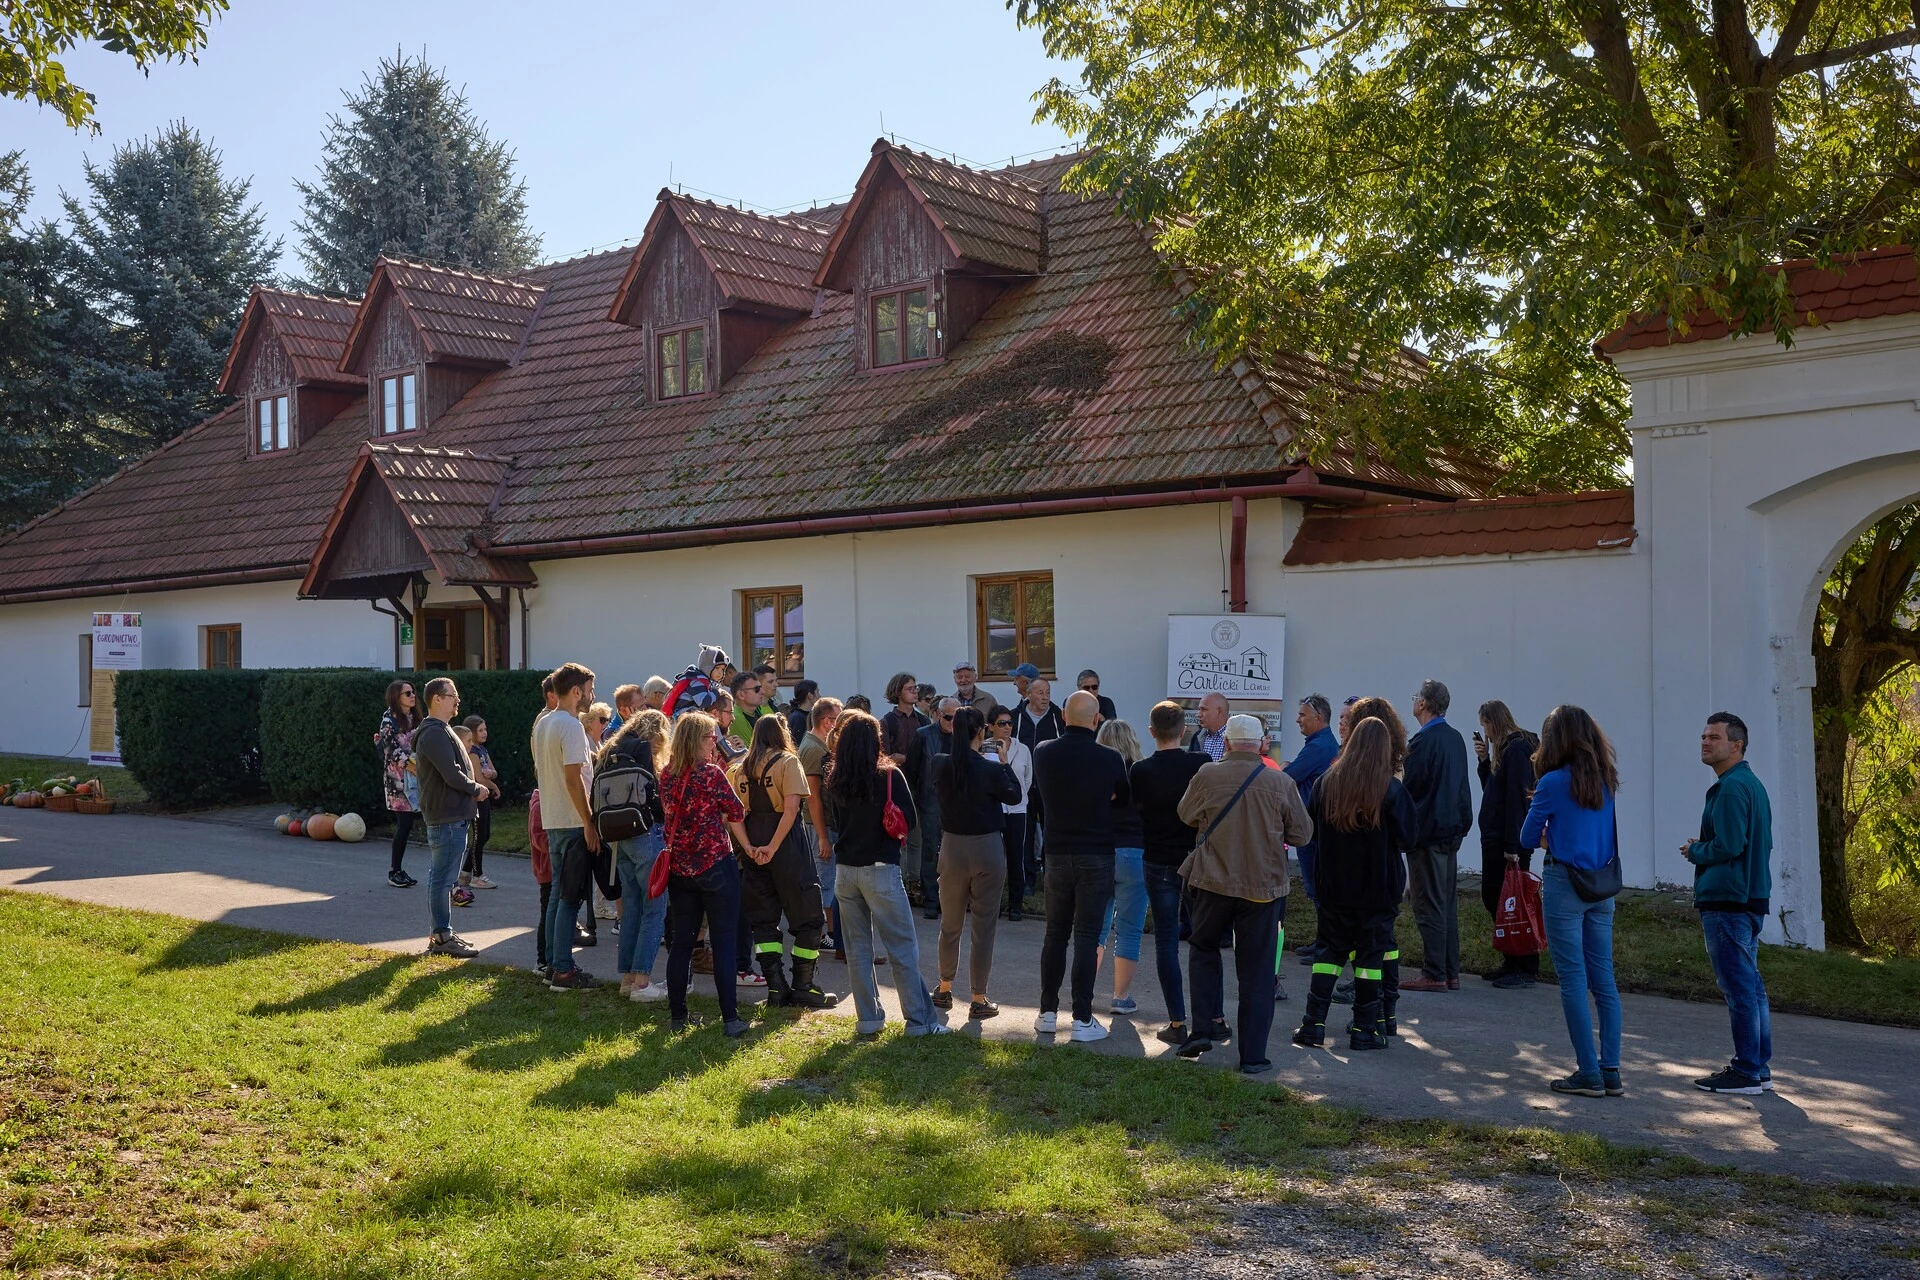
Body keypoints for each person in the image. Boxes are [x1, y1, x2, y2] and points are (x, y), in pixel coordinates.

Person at [1176, 714, 1312, 1073]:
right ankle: (1253, 1056)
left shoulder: (1207, 774)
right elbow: (1302, 834)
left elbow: (1186, 813)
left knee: (1204, 949)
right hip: (1262, 888)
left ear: (1229, 743)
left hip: (1212, 882)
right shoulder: (1280, 782)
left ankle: (1202, 1029)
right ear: (1261, 743)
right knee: (1257, 971)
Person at [823, 710, 950, 1039]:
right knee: (902, 948)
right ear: (874, 740)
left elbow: (836, 823)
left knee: (858, 949)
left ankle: (868, 1018)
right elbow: (910, 820)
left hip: (846, 871)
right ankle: (920, 1021)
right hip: (880, 868)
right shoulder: (889, 775)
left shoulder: (835, 777)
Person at [1519, 704, 1624, 1098]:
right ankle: (1610, 1068)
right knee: (1604, 980)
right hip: (1602, 886)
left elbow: (1528, 837)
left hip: (1565, 883)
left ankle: (1588, 1071)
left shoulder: (1551, 782)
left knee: (1572, 980)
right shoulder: (1605, 779)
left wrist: (1550, 835)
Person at [1293, 716, 1415, 1051]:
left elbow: (1309, 830)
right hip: (1377, 891)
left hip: (1333, 886)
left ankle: (1312, 1024)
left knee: (1328, 954)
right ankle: (1365, 1028)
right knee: (1369, 959)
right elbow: (1409, 838)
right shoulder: (1390, 790)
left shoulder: (1326, 783)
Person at [1031, 690, 1132, 1042]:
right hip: (1096, 853)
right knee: (1087, 939)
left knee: (1055, 934)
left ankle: (1046, 1012)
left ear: (1062, 717)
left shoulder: (1043, 751)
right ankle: (1082, 1018)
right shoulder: (1110, 758)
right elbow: (1123, 801)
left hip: (1057, 853)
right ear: (1096, 719)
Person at [1686, 712, 1776, 1095]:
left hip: (1729, 898)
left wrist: (1695, 850)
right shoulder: (1749, 784)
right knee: (1751, 986)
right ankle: (1759, 1067)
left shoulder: (1731, 788)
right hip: (1750, 896)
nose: (1706, 742)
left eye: (1715, 737)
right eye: (1704, 736)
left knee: (1738, 986)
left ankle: (1746, 1071)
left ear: (1736, 745)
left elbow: (1728, 845)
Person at [729, 714, 837, 1009]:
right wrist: (773, 847)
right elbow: (791, 811)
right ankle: (803, 985)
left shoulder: (739, 769)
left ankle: (776, 988)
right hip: (786, 843)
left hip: (752, 841)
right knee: (809, 916)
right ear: (782, 734)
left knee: (763, 920)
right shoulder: (789, 762)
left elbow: (733, 814)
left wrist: (750, 846)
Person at [661, 711, 751, 1036]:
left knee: (682, 943)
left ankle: (677, 1016)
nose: (716, 741)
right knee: (724, 942)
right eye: (711, 736)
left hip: (680, 869)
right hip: (715, 864)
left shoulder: (667, 774)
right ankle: (730, 1019)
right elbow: (737, 809)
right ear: (698, 740)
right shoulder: (712, 774)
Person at [932, 706, 1022, 1019]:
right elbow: (1014, 796)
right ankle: (978, 997)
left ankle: (944, 988)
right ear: (981, 732)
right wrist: (1004, 761)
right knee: (983, 927)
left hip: (952, 846)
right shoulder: (991, 769)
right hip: (987, 848)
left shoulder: (941, 764)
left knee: (950, 924)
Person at [1131, 700, 1207, 1046]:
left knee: (1166, 942)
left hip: (1158, 858)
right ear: (1184, 730)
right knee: (1204, 941)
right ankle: (1212, 1018)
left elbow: (1136, 813)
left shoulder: (1141, 770)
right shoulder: (1201, 764)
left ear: (1152, 732)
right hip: (1196, 860)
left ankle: (1178, 1021)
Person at [534, 663, 604, 991]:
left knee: (558, 896)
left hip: (553, 818)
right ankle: (562, 969)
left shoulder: (544, 722)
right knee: (569, 898)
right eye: (589, 690)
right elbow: (573, 778)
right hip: (574, 821)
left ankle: (551, 963)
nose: (591, 696)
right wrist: (589, 822)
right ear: (576, 691)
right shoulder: (571, 726)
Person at [1400, 679, 1473, 992]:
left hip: (1428, 832)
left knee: (1428, 903)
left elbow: (1409, 788)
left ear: (1424, 704)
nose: (1414, 701)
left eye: (1417, 696)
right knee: (1445, 902)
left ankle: (1434, 972)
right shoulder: (1455, 738)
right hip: (1451, 830)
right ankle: (1449, 970)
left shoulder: (1421, 742)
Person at [413, 677, 490, 958]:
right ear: (436, 698)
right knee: (443, 879)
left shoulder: (442, 730)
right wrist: (476, 788)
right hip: (446, 817)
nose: (457, 700)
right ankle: (442, 936)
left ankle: (442, 933)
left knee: (443, 877)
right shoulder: (434, 733)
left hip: (452, 816)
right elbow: (451, 773)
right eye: (452, 695)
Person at [597, 709, 671, 1002]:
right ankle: (642, 983)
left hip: (616, 835)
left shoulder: (610, 747)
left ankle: (627, 980)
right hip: (644, 833)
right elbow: (650, 794)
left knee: (630, 909)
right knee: (654, 907)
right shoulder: (642, 748)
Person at [1475, 700, 1541, 987]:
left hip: (1506, 841)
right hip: (1496, 837)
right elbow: (1493, 790)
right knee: (1498, 899)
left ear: (1494, 722)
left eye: (1486, 725)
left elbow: (1517, 797)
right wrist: (1484, 762)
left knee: (1509, 900)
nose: (1485, 733)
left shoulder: (1516, 750)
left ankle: (1524, 964)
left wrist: (1513, 845)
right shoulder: (1505, 751)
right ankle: (1512, 959)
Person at [1094, 719, 1148, 1014]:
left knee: (1095, 929)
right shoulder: (1141, 773)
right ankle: (1120, 997)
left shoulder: (1094, 773)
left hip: (1101, 852)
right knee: (1130, 930)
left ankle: (1084, 992)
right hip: (1135, 853)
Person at [907, 697, 959, 919]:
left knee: (956, 853)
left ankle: (953, 899)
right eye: (948, 717)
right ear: (938, 714)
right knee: (931, 851)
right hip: (930, 802)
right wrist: (916, 800)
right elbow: (910, 772)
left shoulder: (964, 736)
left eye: (958, 717)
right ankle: (930, 899)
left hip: (958, 803)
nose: (953, 721)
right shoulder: (923, 735)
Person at [798, 697, 842, 956]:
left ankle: (832, 934)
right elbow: (812, 795)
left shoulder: (818, 743)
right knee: (825, 881)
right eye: (838, 720)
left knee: (828, 880)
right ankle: (826, 935)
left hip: (822, 824)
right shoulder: (814, 749)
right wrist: (823, 837)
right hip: (819, 825)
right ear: (827, 722)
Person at [1015, 676, 1064, 886]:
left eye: (1048, 692)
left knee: (1051, 831)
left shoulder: (1058, 717)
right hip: (1023, 786)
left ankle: (1050, 877)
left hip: (1050, 786)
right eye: (1040, 693)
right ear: (1029, 694)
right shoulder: (1015, 716)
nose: (1045, 697)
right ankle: (1027, 880)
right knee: (1025, 833)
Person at [988, 707, 1034, 921]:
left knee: (1016, 856)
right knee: (994, 859)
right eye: (1001, 723)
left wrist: (1017, 795)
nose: (1007, 727)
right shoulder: (984, 748)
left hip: (1017, 808)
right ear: (990, 727)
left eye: (1009, 723)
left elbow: (1027, 778)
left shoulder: (1022, 748)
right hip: (994, 808)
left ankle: (1016, 905)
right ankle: (993, 904)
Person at [376, 679, 422, 888]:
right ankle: (394, 871)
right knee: (404, 823)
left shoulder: (416, 718)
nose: (412, 696)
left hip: (416, 778)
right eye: (407, 693)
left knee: (408, 823)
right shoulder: (389, 721)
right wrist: (411, 767)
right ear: (396, 697)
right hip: (398, 782)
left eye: (413, 692)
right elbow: (391, 750)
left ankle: (399, 870)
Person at [459, 715, 500, 891]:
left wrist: (492, 775)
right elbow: (478, 778)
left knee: (485, 834)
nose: (484, 733)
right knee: (478, 835)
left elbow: (493, 771)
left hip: (484, 797)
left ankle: (465, 873)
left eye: (485, 729)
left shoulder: (482, 750)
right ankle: (477, 875)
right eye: (480, 730)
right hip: (476, 798)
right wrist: (493, 785)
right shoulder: (472, 752)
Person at [663, 645, 733, 718]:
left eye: (722, 669)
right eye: (717, 668)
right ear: (707, 667)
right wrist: (716, 692)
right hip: (686, 715)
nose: (720, 673)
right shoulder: (698, 681)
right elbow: (703, 702)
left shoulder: (703, 680)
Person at [730, 669, 778, 744]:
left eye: (761, 687)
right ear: (741, 695)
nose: (762, 692)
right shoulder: (737, 718)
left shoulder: (756, 710)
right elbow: (750, 752)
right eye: (757, 689)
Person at [1187, 691, 1230, 761]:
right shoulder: (1197, 736)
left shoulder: (1236, 738)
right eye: (1199, 709)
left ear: (1219, 711)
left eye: (1204, 709)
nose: (1199, 715)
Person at [786, 679, 820, 743]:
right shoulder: (798, 718)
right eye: (817, 692)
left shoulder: (808, 715)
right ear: (810, 695)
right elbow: (797, 743)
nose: (819, 696)